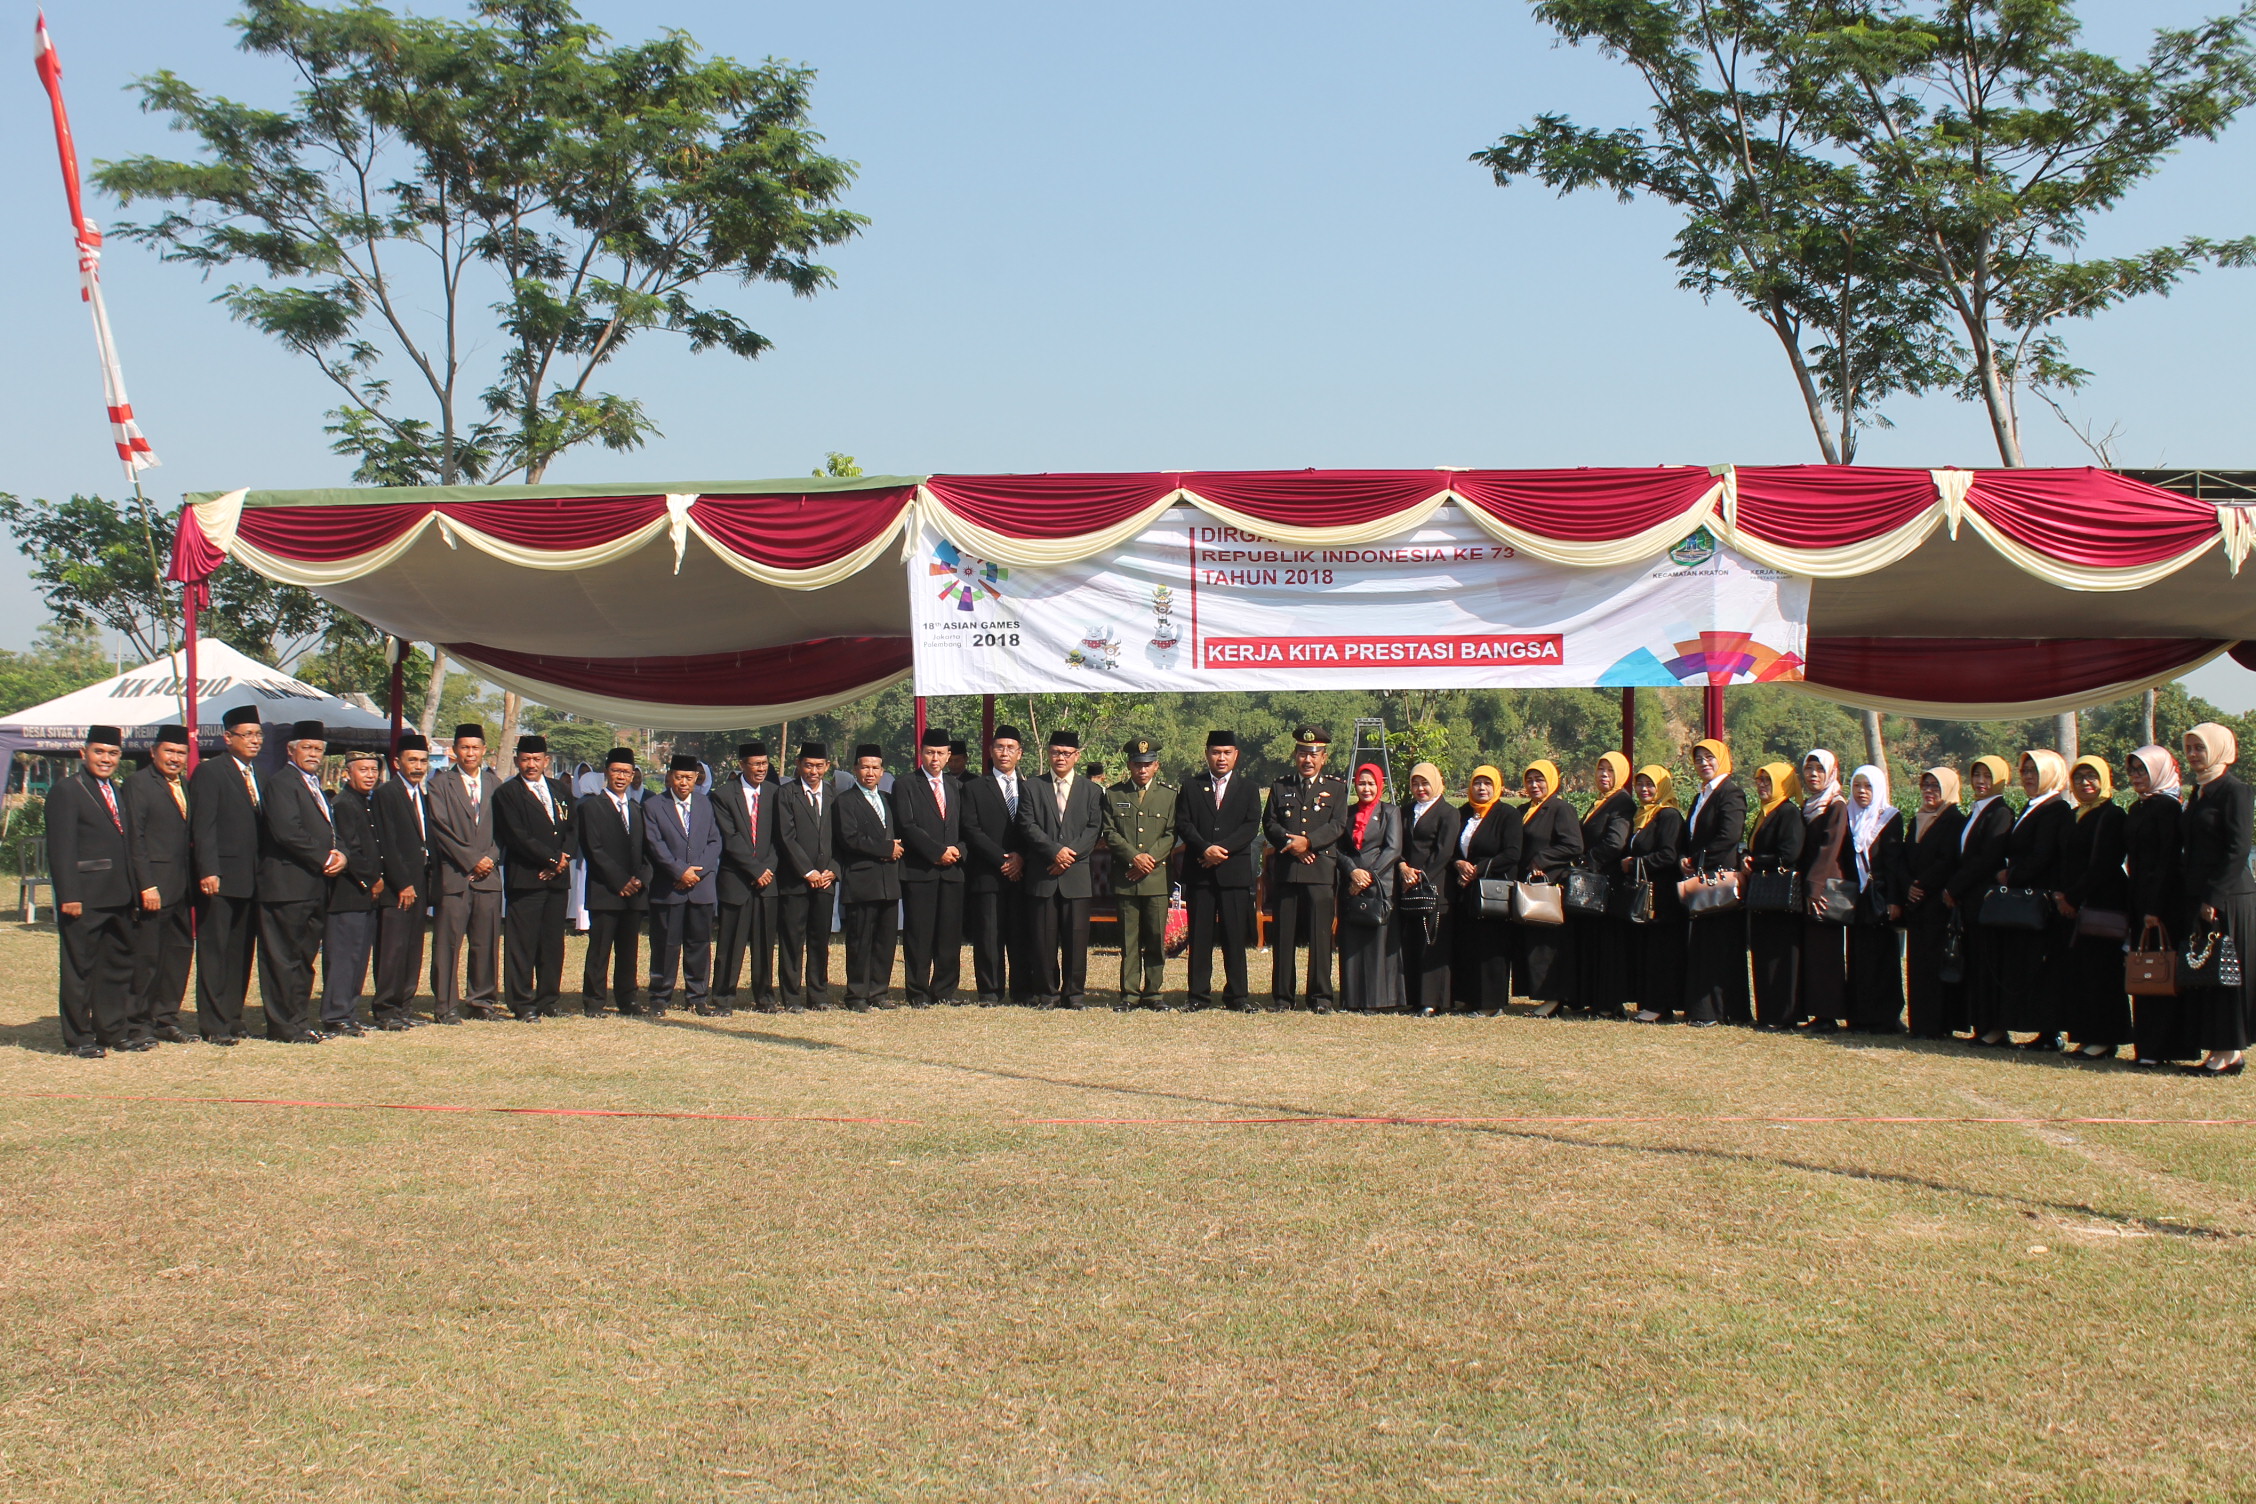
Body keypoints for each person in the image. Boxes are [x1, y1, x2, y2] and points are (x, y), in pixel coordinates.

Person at [49, 725, 146, 1057]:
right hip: (86, 896)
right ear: (83, 753)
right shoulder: (67, 790)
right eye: (99, 752)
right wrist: (69, 894)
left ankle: (113, 1030)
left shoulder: (116, 790)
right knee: (80, 969)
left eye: (113, 753)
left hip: (119, 895)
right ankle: (79, 1037)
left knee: (116, 967)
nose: (106, 759)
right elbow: (61, 848)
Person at [257, 720, 344, 1043]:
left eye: (318, 749)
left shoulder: (314, 785)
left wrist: (341, 854)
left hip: (313, 887)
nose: (313, 754)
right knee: (283, 958)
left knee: (304, 958)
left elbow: (330, 829)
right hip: (286, 887)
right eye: (307, 748)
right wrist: (324, 857)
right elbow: (287, 831)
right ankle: (282, 1025)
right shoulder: (282, 783)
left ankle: (298, 1020)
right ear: (291, 750)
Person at [187, 704, 265, 1044]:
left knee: (240, 951)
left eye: (258, 734)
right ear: (227, 737)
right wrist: (208, 870)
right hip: (220, 876)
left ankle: (233, 1015)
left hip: (250, 879)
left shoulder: (254, 773)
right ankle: (213, 1022)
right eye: (247, 735)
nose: (254, 741)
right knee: (215, 951)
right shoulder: (211, 772)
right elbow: (202, 826)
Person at [2178, 722, 2252, 1074]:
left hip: (2228, 897)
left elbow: (2238, 848)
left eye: (2200, 748)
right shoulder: (2200, 791)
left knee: (2226, 973)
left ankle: (2230, 1050)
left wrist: (2214, 896)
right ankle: (2219, 1049)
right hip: (2201, 895)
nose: (2193, 755)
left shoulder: (2235, 791)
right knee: (2208, 973)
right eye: (2189, 748)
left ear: (2219, 749)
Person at [1018, 730, 1106, 1009]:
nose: (1060, 758)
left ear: (1077, 756)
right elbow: (1027, 825)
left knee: (1076, 938)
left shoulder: (1092, 790)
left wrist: (1070, 854)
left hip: (1076, 876)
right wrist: (1054, 851)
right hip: (1043, 873)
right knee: (1043, 939)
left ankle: (1074, 995)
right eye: (1056, 752)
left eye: (1066, 753)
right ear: (1048, 753)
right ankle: (1047, 994)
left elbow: (1094, 828)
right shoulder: (1032, 786)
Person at [1994, 750, 2075, 1050]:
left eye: (2035, 772)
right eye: (2025, 771)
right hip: (2025, 902)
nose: (2028, 777)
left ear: (2051, 774)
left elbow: (2044, 855)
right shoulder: (2032, 807)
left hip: (2043, 902)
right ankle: (2040, 1028)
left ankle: (2050, 1031)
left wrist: (2011, 876)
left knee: (2045, 968)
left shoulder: (2057, 810)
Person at [1265, 726, 1351, 1012]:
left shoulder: (1337, 788)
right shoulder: (1280, 786)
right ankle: (1282, 997)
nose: (1308, 760)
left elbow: (1338, 825)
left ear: (1323, 758)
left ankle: (1321, 998)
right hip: (1289, 869)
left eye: (1314, 755)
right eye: (1303, 754)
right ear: (1295, 755)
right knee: (1284, 937)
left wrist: (1309, 843)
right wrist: (1294, 845)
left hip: (1320, 871)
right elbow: (1270, 824)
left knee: (1320, 938)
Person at [492, 734, 576, 1021]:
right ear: (517, 761)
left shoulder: (559, 790)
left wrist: (563, 858)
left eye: (536, 760)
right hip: (526, 878)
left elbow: (573, 829)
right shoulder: (507, 793)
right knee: (523, 943)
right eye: (525, 760)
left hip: (557, 879)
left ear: (546, 761)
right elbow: (516, 836)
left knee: (552, 942)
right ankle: (522, 1002)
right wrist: (551, 859)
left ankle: (548, 999)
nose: (531, 765)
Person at [1177, 730, 1261, 1013]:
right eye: (1216, 752)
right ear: (1207, 754)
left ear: (1236, 755)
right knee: (1199, 938)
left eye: (1227, 752)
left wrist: (1221, 851)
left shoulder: (1248, 788)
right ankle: (1198, 996)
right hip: (1200, 871)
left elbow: (1250, 826)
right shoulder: (1190, 786)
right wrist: (1205, 849)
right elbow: (1184, 823)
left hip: (1233, 872)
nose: (1221, 758)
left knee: (1234, 937)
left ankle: (1238, 997)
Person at [121, 723, 194, 1044]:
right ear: (153, 753)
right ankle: (138, 1022)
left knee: (178, 955)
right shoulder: (138, 784)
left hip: (183, 886)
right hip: (154, 886)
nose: (175, 758)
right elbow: (134, 838)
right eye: (169, 751)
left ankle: (166, 1018)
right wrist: (145, 884)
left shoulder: (186, 786)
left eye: (181, 753)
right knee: (147, 957)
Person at [427, 722, 504, 1022]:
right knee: (448, 943)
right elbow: (440, 828)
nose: (470, 753)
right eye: (464, 747)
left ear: (485, 750)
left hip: (489, 877)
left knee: (486, 942)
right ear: (454, 750)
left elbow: (504, 832)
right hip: (454, 876)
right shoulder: (439, 784)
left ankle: (482, 1002)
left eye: (475, 748)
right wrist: (472, 859)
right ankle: (446, 1005)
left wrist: (490, 859)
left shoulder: (496, 785)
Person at [2123, 746, 2193, 1066]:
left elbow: (2167, 861)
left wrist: (2155, 906)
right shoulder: (2139, 807)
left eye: (2143, 771)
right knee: (2143, 975)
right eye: (2133, 770)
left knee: (2160, 974)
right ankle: (2147, 1047)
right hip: (2140, 900)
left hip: (2162, 904)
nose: (2136, 777)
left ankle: (2163, 1048)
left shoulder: (2167, 807)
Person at [2058, 754, 2131, 1060]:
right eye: (2078, 777)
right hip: (2074, 903)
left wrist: (2073, 897)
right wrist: (2063, 896)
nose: (2085, 783)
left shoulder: (2111, 815)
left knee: (2103, 973)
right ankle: (2086, 1035)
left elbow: (2104, 863)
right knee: (2081, 973)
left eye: (2091, 776)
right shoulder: (2076, 813)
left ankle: (2104, 1038)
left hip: (2101, 903)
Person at [643, 753, 722, 1016]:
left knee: (699, 943)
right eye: (679, 777)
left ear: (696, 779)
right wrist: (679, 870)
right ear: (669, 777)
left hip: (700, 887)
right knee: (665, 943)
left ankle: (697, 996)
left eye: (689, 778)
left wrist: (697, 872)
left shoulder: (704, 804)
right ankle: (660, 996)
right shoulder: (654, 806)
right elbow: (655, 845)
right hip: (670, 887)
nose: (683, 783)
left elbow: (715, 841)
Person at [892, 728, 965, 1008]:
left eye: (941, 753)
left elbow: (965, 825)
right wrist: (936, 852)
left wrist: (957, 850)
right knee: (919, 935)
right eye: (930, 752)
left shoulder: (956, 786)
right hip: (920, 871)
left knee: (949, 934)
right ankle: (918, 992)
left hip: (952, 871)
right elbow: (907, 825)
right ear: (921, 753)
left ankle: (945, 990)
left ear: (949, 756)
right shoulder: (906, 784)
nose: (935, 758)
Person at [1103, 737, 1178, 1010]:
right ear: (1129, 764)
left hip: (1156, 879)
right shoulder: (1114, 794)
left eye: (1147, 765)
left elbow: (1171, 833)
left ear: (1156, 766)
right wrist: (1134, 857)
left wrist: (1150, 859)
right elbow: (1109, 832)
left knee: (1156, 939)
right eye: (1137, 764)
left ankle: (1154, 993)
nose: (1142, 770)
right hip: (1126, 877)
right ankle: (1130, 995)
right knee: (1129, 940)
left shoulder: (1169, 796)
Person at [1680, 739, 1749, 1025]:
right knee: (1703, 945)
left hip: (1719, 879)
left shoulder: (1730, 793)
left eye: (1710, 757)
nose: (1704, 763)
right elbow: (1693, 834)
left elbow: (1729, 836)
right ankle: (1704, 1009)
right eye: (1699, 759)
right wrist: (1685, 857)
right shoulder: (1700, 797)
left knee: (1721, 944)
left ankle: (1724, 1010)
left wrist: (1698, 860)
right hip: (1701, 878)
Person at [577, 747, 650, 1016]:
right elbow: (594, 849)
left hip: (634, 892)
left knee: (628, 950)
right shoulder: (591, 807)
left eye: (626, 772)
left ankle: (627, 998)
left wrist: (640, 879)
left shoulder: (636, 808)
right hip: (606, 890)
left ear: (633, 776)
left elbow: (647, 851)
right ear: (606, 773)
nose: (621, 777)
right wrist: (620, 881)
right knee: (600, 949)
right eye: (616, 771)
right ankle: (594, 1001)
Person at [319, 748, 387, 1036]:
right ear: (348, 772)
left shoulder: (365, 802)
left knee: (358, 957)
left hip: (365, 895)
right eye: (363, 770)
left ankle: (347, 1011)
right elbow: (350, 848)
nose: (370, 775)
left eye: (373, 770)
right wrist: (372, 879)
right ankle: (335, 1015)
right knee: (344, 957)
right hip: (348, 892)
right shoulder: (345, 803)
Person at [371, 733, 437, 1029]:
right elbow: (387, 842)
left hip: (421, 882)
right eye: (412, 760)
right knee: (393, 949)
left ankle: (404, 1007)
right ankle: (386, 1009)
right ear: (397, 762)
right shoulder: (388, 793)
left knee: (412, 948)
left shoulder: (421, 795)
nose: (418, 766)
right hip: (400, 887)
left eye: (423, 761)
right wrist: (402, 883)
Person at [962, 726, 1030, 1006]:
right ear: (990, 751)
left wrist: (1021, 857)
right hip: (988, 871)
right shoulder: (974, 787)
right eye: (999, 747)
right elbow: (971, 828)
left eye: (1010, 747)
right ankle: (990, 991)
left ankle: (1022, 990)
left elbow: (1035, 828)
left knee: (1020, 934)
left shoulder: (1031, 787)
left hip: (1023, 872)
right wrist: (1003, 859)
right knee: (989, 935)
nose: (1004, 752)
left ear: (1020, 753)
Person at [1952, 756, 2016, 1044]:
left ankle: (1993, 1029)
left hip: (1985, 899)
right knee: (1975, 962)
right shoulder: (1976, 810)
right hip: (1970, 899)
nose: (1980, 781)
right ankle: (1981, 1024)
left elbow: (1987, 858)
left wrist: (1954, 887)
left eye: (1988, 776)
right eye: (1976, 775)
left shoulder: (2000, 812)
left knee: (1987, 963)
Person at [712, 742, 780, 1012]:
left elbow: (780, 837)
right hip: (737, 880)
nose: (761, 769)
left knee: (764, 944)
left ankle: (765, 997)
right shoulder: (724, 795)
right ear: (742, 765)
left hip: (768, 880)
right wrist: (754, 869)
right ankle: (723, 997)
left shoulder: (776, 794)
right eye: (756, 764)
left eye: (764, 763)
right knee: (731, 943)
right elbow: (730, 838)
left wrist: (767, 869)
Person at [1901, 767, 1968, 1040]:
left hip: (1937, 902)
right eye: (1925, 785)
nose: (1929, 791)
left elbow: (1948, 859)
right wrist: (1907, 885)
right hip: (1915, 903)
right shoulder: (1917, 819)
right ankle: (1920, 1023)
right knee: (1917, 965)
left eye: (1936, 786)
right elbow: (1904, 856)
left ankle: (1938, 1024)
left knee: (1935, 964)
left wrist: (1921, 885)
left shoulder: (1954, 819)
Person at [835, 744, 904, 1011]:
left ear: (882, 771)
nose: (870, 772)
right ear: (855, 770)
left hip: (889, 881)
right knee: (860, 940)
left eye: (875, 767)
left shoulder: (887, 799)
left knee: (885, 940)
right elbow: (850, 838)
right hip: (862, 880)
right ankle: (856, 995)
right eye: (865, 767)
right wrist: (887, 848)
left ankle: (879, 992)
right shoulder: (846, 801)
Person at [1450, 766, 1522, 1015]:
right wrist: (1458, 863)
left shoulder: (1507, 815)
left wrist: (1479, 869)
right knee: (1468, 944)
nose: (1481, 789)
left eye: (1487, 784)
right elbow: (1452, 848)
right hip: (1465, 890)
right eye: (1477, 783)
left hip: (1494, 889)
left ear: (1497, 786)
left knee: (1492, 946)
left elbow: (1512, 853)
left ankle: (1491, 1003)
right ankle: (1469, 998)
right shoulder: (1462, 814)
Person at [774, 743, 839, 1011]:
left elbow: (841, 838)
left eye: (819, 766)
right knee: (792, 939)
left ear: (827, 767)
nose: (814, 771)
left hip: (826, 880)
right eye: (808, 765)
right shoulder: (787, 793)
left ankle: (818, 995)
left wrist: (833, 869)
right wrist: (807, 871)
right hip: (796, 880)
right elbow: (785, 837)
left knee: (819, 939)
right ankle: (790, 996)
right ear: (799, 764)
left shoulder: (835, 795)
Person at [1516, 759, 1584, 1018]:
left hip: (1549, 885)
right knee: (1533, 943)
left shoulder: (1560, 809)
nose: (1534, 785)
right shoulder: (1524, 809)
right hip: (1526, 885)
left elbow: (1573, 845)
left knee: (1548, 944)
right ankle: (1541, 994)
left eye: (1540, 780)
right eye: (1530, 780)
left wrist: (1541, 860)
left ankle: (1554, 998)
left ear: (1552, 781)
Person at [1335, 763, 1403, 1013]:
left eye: (1371, 783)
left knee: (1377, 944)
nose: (1366, 788)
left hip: (1380, 886)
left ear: (1379, 785)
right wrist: (1352, 872)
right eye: (1361, 783)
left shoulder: (1390, 812)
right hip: (1351, 884)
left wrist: (1369, 877)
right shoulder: (1347, 813)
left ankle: (1377, 1000)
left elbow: (1393, 849)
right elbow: (1339, 848)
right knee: (1352, 944)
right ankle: (1351, 999)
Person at [1844, 764, 1907, 1033]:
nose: (1862, 792)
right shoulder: (1846, 815)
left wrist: (1895, 899)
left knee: (1884, 957)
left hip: (1880, 898)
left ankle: (1886, 1017)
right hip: (1855, 899)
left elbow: (1894, 862)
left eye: (1868, 786)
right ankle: (1858, 1016)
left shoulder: (1890, 817)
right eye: (1857, 785)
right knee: (1857, 957)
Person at [1571, 752, 1635, 1017]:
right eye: (1600, 769)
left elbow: (1614, 842)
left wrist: (1587, 861)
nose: (1604, 775)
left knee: (1608, 945)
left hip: (1607, 883)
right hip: (1594, 883)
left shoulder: (1622, 803)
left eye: (1610, 770)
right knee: (1593, 943)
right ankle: (1593, 998)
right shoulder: (1601, 802)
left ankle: (1608, 1003)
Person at [1397, 762, 1461, 1017]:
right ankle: (1413, 998)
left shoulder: (1448, 813)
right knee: (1411, 943)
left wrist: (1421, 877)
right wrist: (1402, 868)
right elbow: (1398, 845)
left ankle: (1433, 1000)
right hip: (1407, 884)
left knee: (1432, 944)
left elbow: (1444, 851)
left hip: (1435, 886)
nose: (1420, 788)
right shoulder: (1406, 811)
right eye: (1415, 783)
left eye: (1425, 783)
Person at [1742, 762, 1804, 1028]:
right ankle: (1767, 1013)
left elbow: (1789, 853)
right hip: (1763, 896)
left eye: (1768, 781)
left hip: (1780, 895)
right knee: (1763, 953)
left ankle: (1784, 1015)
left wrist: (1756, 862)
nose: (1762, 786)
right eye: (1759, 780)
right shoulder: (1765, 813)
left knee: (1781, 957)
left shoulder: (1788, 812)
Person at [1625, 766, 1688, 1023]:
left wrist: (1636, 863)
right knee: (1648, 950)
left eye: (1650, 785)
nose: (1644, 790)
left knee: (1661, 951)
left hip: (1662, 896)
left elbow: (1668, 854)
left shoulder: (1668, 815)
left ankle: (1660, 1005)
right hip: (1645, 894)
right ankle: (1649, 1002)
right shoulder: (1643, 815)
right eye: (1640, 784)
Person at [1794, 750, 1851, 1031]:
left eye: (1819, 769)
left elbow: (1830, 849)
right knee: (1813, 951)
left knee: (1825, 952)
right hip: (1811, 886)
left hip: (1824, 888)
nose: (1813, 774)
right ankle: (1817, 1011)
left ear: (1831, 772)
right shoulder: (1810, 804)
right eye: (1808, 769)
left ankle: (1828, 1014)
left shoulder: (1836, 805)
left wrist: (1814, 887)